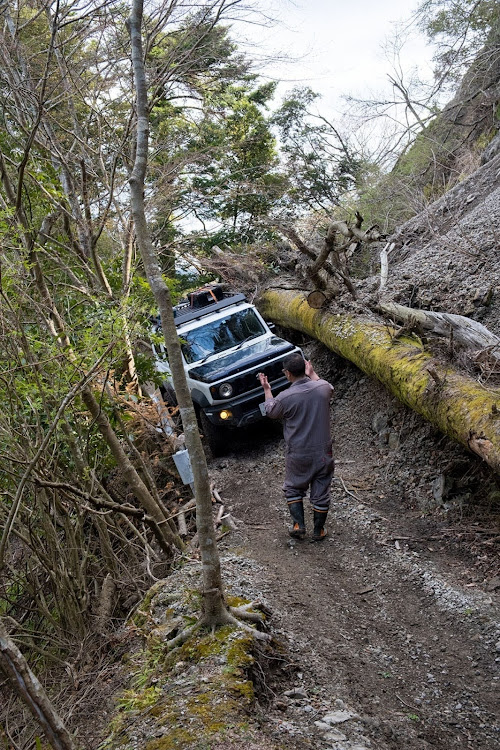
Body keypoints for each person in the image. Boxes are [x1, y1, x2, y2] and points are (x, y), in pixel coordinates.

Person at [258, 353, 334, 542]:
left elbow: (271, 411)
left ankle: (299, 524)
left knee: (293, 487)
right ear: (305, 368)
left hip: (298, 452)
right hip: (323, 451)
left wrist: (267, 390)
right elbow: (328, 387)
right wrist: (313, 373)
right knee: (321, 487)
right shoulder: (322, 388)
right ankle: (319, 529)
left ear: (287, 373)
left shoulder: (285, 397)